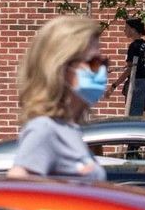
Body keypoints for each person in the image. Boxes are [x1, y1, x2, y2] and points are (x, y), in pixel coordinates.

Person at [7, 15, 108, 180]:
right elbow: (18, 184)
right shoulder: (44, 130)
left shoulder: (68, 129)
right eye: (93, 62)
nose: (101, 71)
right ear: (61, 67)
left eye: (104, 63)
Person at [110, 17, 145, 118]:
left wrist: (114, 86)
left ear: (133, 29)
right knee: (143, 114)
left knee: (134, 117)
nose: (124, 30)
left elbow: (130, 69)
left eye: (126, 28)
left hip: (136, 85)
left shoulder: (134, 46)